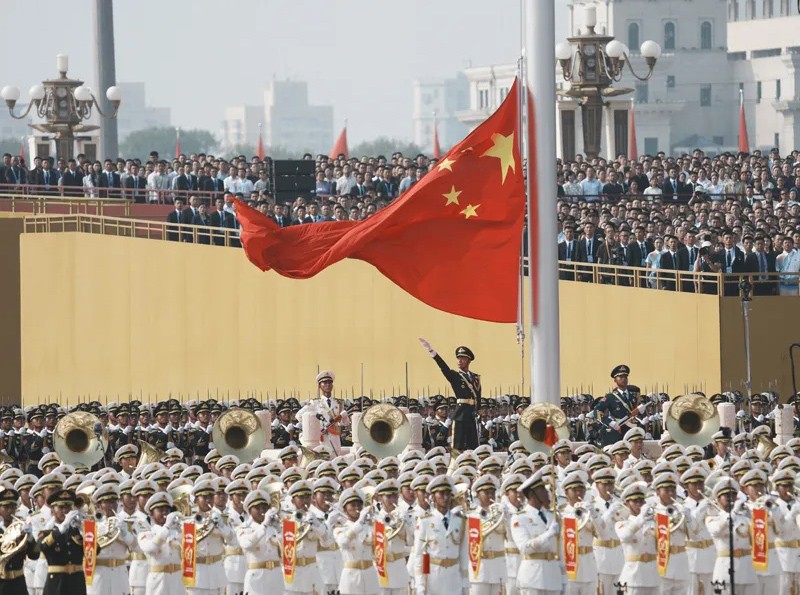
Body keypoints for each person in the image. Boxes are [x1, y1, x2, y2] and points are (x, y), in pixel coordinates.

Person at [418, 339, 481, 451]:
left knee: (474, 446)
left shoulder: (475, 377)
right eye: (458, 358)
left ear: (468, 360)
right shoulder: (455, 376)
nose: (459, 360)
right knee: (458, 446)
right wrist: (433, 353)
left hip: (472, 414)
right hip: (460, 414)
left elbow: (478, 396)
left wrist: (478, 410)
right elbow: (444, 368)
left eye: (462, 358)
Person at [37, 489, 86, 595]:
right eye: (60, 507)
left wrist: (84, 531)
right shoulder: (46, 532)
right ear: (52, 511)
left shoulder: (77, 532)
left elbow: (95, 551)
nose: (65, 510)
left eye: (68, 507)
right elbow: (41, 546)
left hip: (77, 584)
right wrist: (62, 528)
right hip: (56, 585)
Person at [138, 492, 184, 595]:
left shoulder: (176, 532)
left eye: (167, 510)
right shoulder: (145, 534)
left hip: (176, 581)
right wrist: (167, 527)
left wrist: (181, 530)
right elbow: (151, 548)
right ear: (151, 513)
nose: (165, 513)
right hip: (158, 582)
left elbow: (189, 549)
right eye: (160, 510)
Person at [295, 371, 350, 455]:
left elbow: (345, 423)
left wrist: (345, 416)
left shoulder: (339, 403)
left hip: (335, 439)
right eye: (324, 382)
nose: (328, 385)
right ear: (319, 386)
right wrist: (315, 426)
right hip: (321, 439)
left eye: (330, 382)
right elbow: (299, 416)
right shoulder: (315, 403)